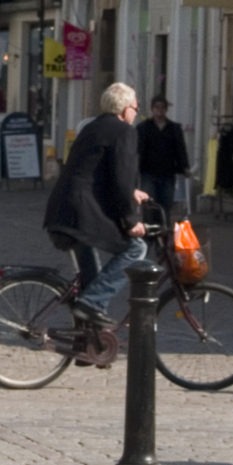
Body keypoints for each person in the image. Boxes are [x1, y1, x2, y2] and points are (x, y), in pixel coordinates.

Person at [44, 81, 149, 327]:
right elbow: (121, 178)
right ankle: (91, 304)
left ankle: (88, 346)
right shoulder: (125, 131)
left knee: (91, 280)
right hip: (81, 213)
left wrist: (131, 191)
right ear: (124, 110)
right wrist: (132, 221)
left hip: (63, 210)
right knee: (135, 248)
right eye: (135, 107)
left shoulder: (91, 127)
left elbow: (94, 171)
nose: (136, 112)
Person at [137, 95, 190, 219]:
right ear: (152, 109)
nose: (159, 110)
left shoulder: (174, 128)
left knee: (165, 205)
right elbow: (138, 150)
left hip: (168, 173)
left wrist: (185, 167)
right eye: (157, 107)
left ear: (166, 109)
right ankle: (149, 234)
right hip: (148, 173)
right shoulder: (143, 128)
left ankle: (163, 233)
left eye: (162, 107)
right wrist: (135, 168)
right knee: (148, 203)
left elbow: (180, 149)